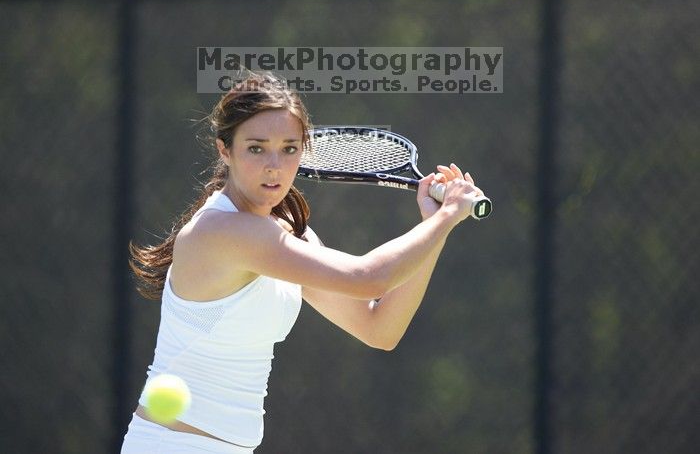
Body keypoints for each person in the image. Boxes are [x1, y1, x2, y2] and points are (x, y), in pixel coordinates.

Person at [120, 73, 486, 453]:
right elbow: (369, 277)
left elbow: (379, 329)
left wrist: (434, 227)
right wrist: (448, 217)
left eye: (289, 148)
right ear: (224, 150)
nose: (274, 165)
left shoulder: (289, 236)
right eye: (257, 149)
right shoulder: (222, 231)